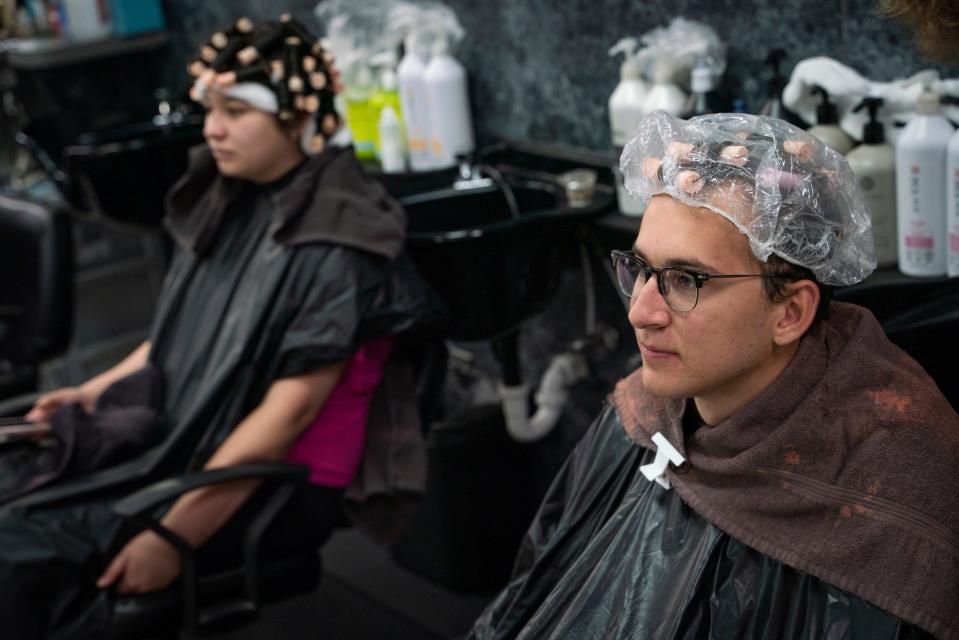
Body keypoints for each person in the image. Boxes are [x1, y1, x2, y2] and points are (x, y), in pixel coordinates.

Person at [1, 15, 439, 639]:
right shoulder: (231, 196)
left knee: (16, 547)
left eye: (235, 110)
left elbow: (284, 418)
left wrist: (169, 535)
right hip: (191, 432)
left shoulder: (340, 239)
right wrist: (91, 391)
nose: (212, 128)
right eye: (208, 107)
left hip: (265, 482)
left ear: (295, 118)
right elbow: (184, 332)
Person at [469, 111, 959, 639]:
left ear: (789, 313)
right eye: (639, 270)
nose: (641, 312)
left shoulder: (895, 486)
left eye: (686, 279)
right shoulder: (646, 410)